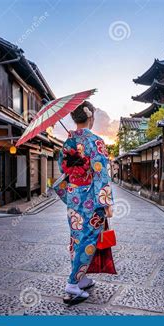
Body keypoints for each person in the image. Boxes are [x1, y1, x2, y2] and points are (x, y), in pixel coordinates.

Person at [53, 101, 113, 304]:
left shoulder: (67, 142)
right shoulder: (96, 141)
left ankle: (82, 278)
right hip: (91, 199)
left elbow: (64, 170)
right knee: (88, 240)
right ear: (91, 117)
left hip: (74, 197)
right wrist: (105, 201)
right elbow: (101, 172)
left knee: (76, 237)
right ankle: (72, 284)